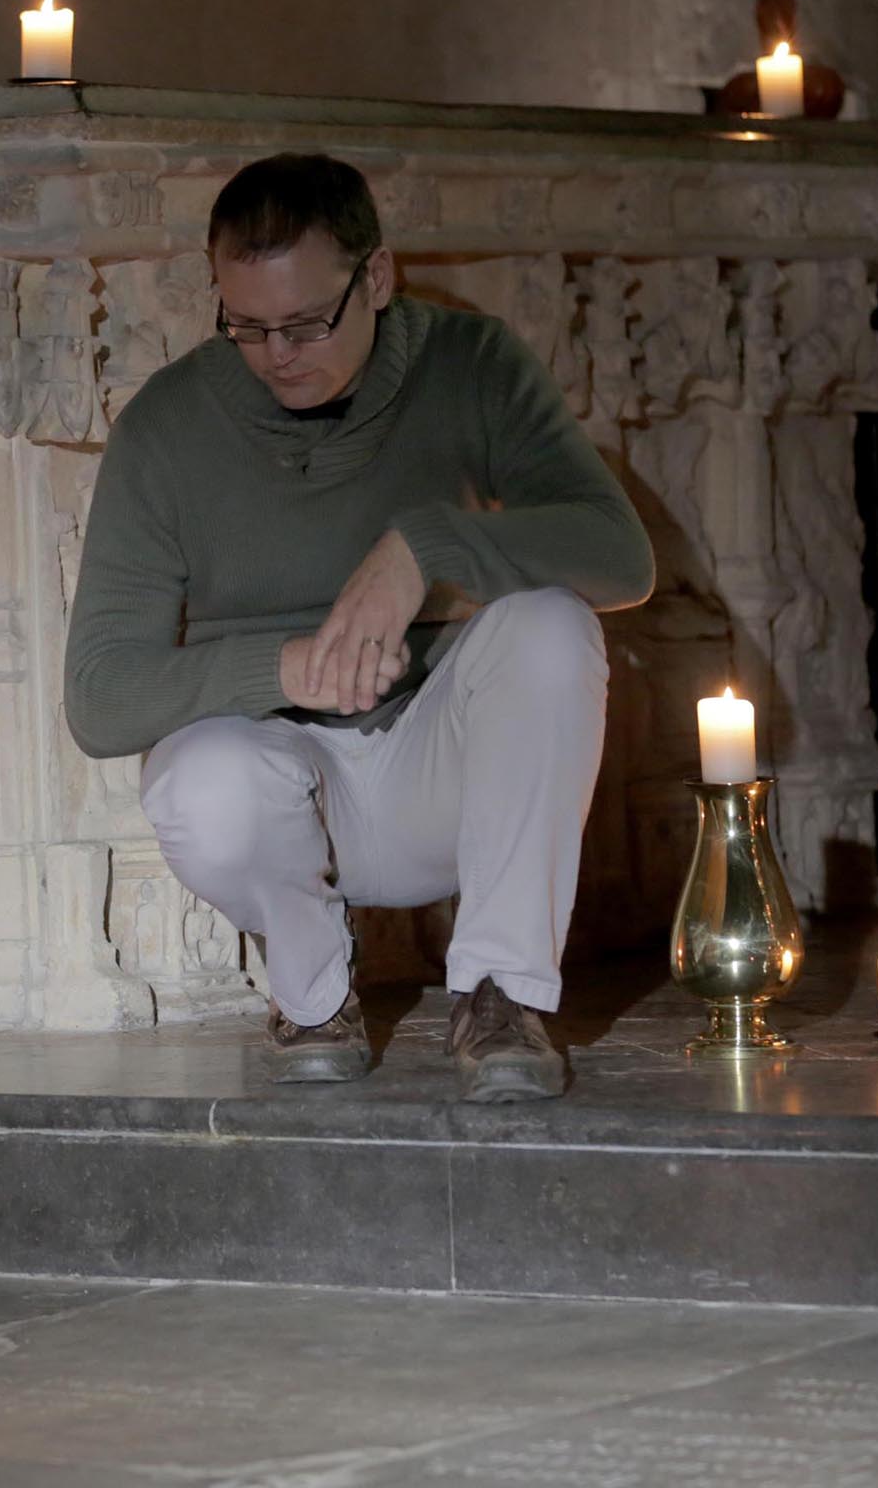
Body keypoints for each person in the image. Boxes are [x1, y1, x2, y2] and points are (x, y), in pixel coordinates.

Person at [62, 153, 655, 1102]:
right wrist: (291, 665)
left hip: (442, 767)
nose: (277, 355)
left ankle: (502, 993)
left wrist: (427, 548)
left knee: (550, 627)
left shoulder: (472, 364)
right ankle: (311, 996)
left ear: (376, 278)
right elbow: (100, 696)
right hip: (285, 783)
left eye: (304, 323)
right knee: (199, 775)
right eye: (246, 326)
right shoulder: (166, 427)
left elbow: (620, 560)